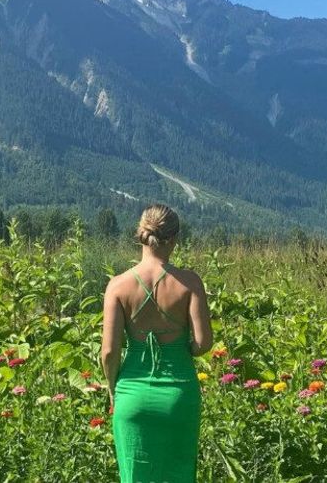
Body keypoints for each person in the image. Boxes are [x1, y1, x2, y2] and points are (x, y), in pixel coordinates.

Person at [102, 204, 212, 483]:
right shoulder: (190, 283)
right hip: (178, 394)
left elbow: (110, 351)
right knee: (178, 473)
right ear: (174, 239)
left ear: (141, 234)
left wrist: (113, 390)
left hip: (132, 395)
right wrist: (179, 349)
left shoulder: (117, 285)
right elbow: (203, 342)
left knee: (135, 474)